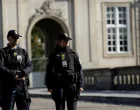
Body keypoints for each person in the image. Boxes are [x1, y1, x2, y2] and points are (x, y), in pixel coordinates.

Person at [46, 33, 84, 110]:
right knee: (59, 107)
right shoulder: (53, 54)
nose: (67, 42)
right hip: (59, 85)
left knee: (72, 107)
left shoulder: (73, 53)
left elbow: (79, 69)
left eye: (68, 40)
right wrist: (49, 86)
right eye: (65, 40)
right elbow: (49, 71)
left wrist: (81, 84)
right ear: (59, 41)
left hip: (71, 84)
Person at [0, 30, 33, 110]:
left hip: (22, 87)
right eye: (14, 37)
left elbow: (30, 65)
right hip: (8, 87)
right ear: (8, 38)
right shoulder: (3, 52)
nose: (16, 39)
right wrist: (14, 74)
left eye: (18, 37)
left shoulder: (23, 52)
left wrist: (23, 73)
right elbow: (1, 67)